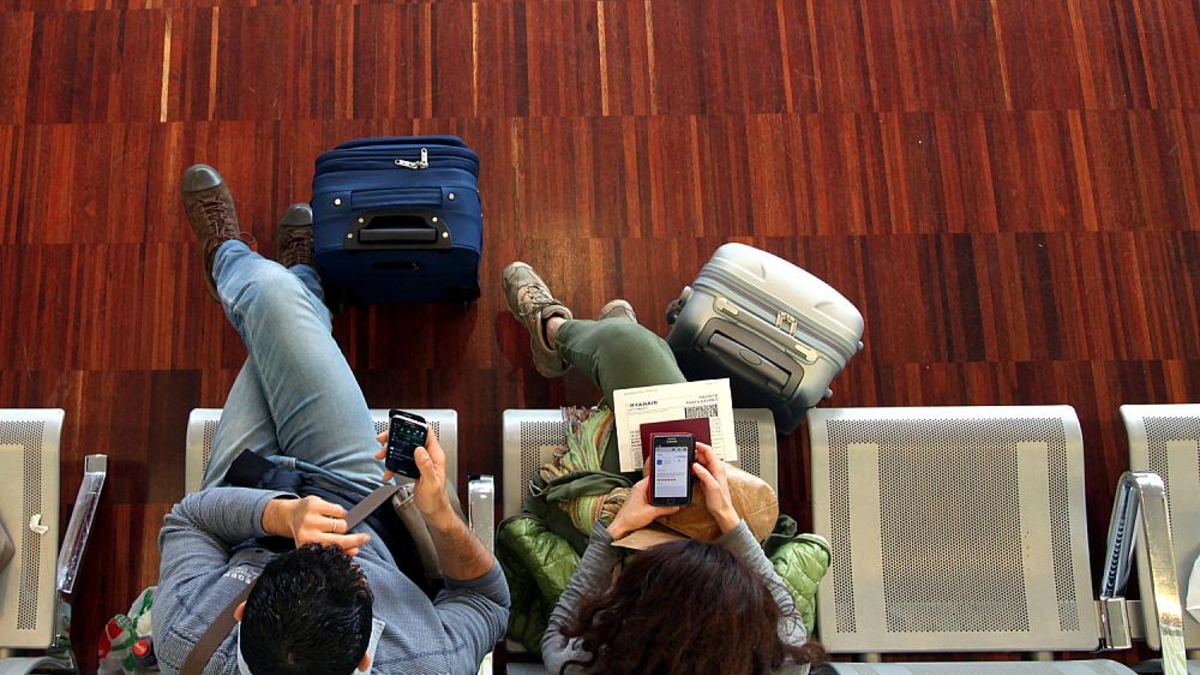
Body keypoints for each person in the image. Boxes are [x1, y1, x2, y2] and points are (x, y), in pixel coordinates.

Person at [154, 165, 508, 675]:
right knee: (279, 312)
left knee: (274, 312)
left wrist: (278, 515)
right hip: (358, 497)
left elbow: (190, 518)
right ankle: (288, 283)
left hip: (244, 503)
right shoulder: (427, 662)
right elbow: (487, 604)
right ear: (367, 657)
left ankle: (245, 266)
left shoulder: (184, 640)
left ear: (241, 612)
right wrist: (441, 516)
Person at [501, 263, 824, 675]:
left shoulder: (592, 664)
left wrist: (616, 531)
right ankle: (613, 367)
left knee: (633, 351)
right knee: (649, 383)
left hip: (612, 529)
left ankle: (556, 331)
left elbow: (557, 637)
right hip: (688, 535)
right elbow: (790, 626)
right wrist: (727, 519)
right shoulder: (782, 664)